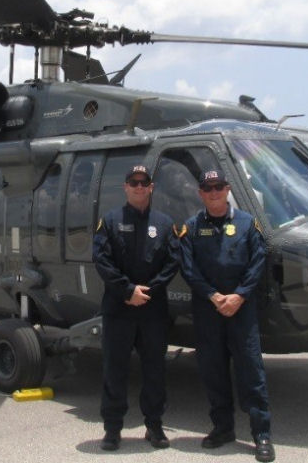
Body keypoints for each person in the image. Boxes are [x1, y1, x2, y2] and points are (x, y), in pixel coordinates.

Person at [179, 168, 275, 462]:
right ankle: (222, 428)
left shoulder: (247, 224)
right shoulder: (192, 227)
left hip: (241, 309)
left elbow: (258, 262)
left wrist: (240, 294)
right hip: (209, 310)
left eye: (219, 187)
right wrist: (213, 295)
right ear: (201, 194)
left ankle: (261, 435)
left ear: (227, 189)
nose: (214, 192)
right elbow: (188, 268)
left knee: (251, 372)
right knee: (213, 371)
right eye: (208, 188)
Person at [92, 165, 180, 451]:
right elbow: (102, 260)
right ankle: (113, 429)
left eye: (144, 183)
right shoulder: (111, 220)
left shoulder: (165, 224)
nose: (139, 187)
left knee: (155, 370)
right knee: (114, 370)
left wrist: (148, 291)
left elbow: (172, 262)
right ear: (125, 187)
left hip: (153, 311)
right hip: (120, 309)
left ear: (151, 187)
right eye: (134, 182)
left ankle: (154, 427)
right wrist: (127, 290)